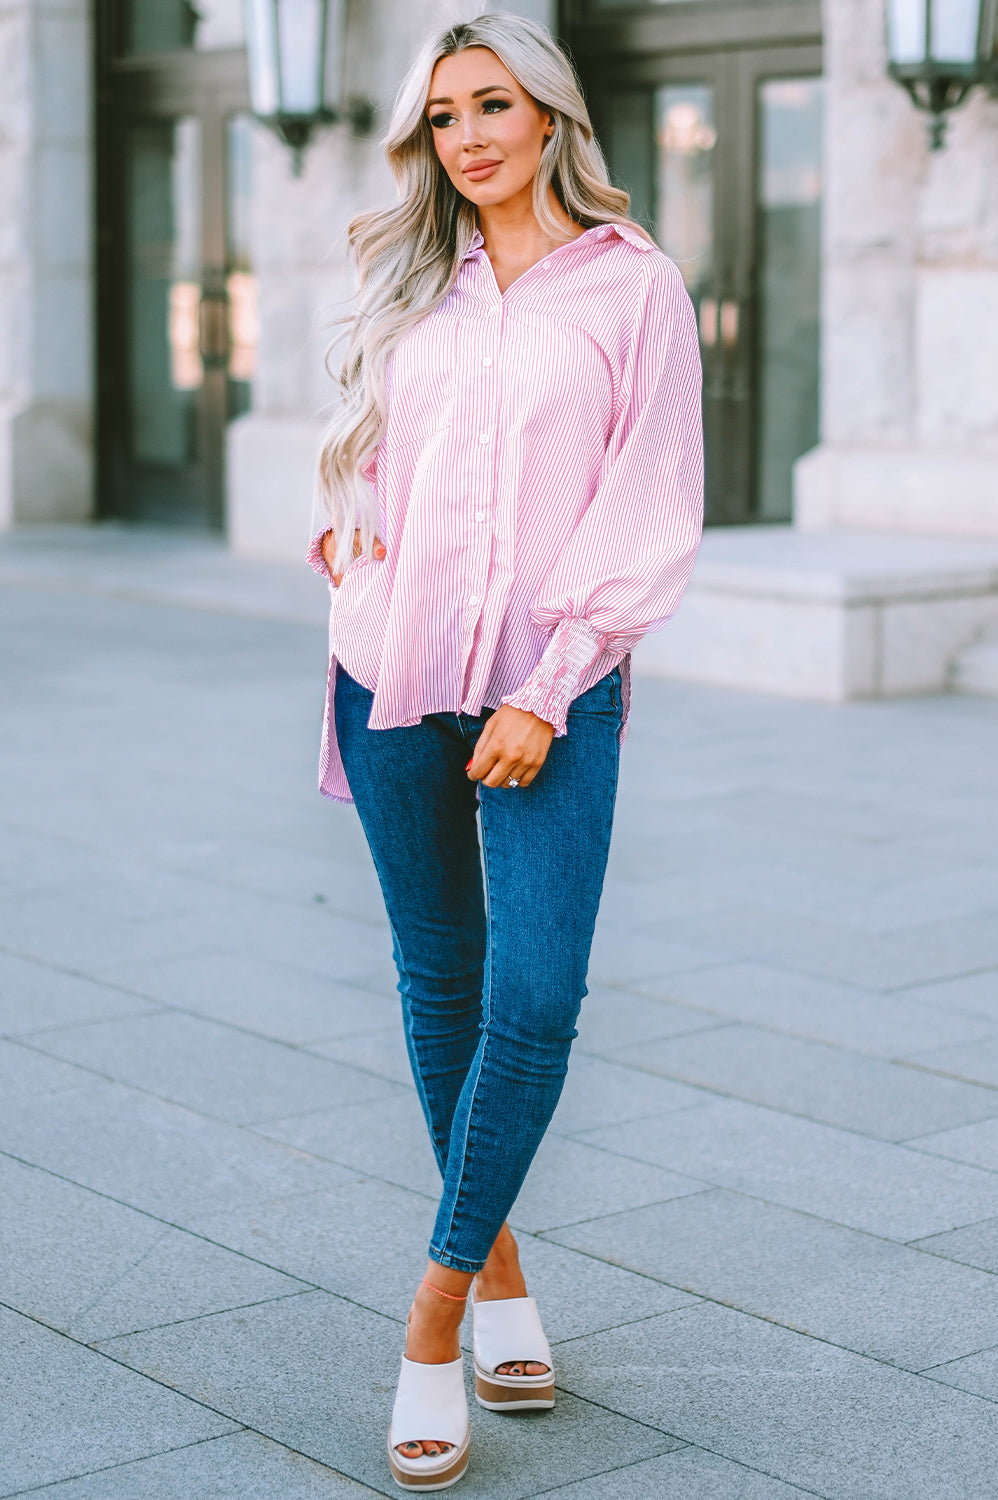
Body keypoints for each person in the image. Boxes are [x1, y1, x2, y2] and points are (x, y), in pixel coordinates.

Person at [308, 12, 703, 1490]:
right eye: (443, 115)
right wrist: (349, 561)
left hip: (552, 690)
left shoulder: (634, 287)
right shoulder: (410, 280)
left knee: (532, 999)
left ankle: (432, 1314)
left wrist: (548, 687)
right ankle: (505, 1284)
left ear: (550, 117)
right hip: (395, 676)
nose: (468, 136)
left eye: (493, 105)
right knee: (443, 990)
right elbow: (362, 462)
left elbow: (647, 503)